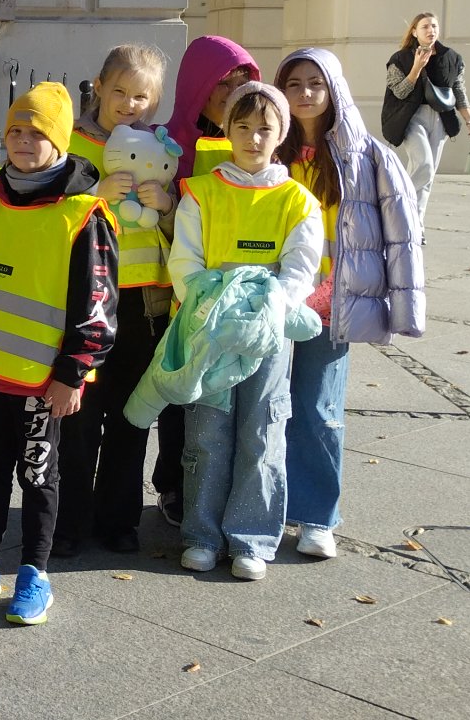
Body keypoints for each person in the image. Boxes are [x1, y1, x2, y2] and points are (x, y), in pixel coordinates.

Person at [0, 82, 117, 625]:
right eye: (15, 130)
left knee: (38, 477)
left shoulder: (84, 214)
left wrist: (74, 372)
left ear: (58, 142)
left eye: (35, 133)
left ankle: (35, 573)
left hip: (42, 381)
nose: (21, 141)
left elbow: (98, 304)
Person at [165, 83, 322, 581]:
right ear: (228, 130)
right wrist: (216, 306)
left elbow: (300, 269)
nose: (254, 138)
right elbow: (185, 261)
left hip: (268, 335)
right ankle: (201, 535)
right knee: (207, 431)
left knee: (262, 430)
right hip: (209, 332)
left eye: (264, 129)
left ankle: (251, 538)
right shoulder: (201, 193)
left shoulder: (297, 200)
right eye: (243, 127)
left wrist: (264, 309)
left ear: (281, 134)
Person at [275, 48, 424, 558]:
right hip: (275, 296)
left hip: (332, 300)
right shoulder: (270, 146)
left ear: (334, 88)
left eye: (315, 83)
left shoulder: (364, 155)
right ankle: (268, 506)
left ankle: (317, 516)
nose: (304, 93)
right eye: (293, 84)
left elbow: (403, 233)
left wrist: (404, 308)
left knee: (318, 407)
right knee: (267, 408)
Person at [59, 45, 173, 556]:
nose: (129, 104)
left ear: (156, 100)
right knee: (79, 418)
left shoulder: (161, 150)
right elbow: (46, 213)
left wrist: (166, 206)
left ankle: (120, 520)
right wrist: (94, 194)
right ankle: (70, 520)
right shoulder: (69, 141)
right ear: (100, 87)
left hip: (143, 302)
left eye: (141, 96)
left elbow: (186, 231)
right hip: (85, 300)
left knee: (132, 416)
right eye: (120, 91)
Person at [150, 35, 260, 524]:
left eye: (243, 82)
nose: (234, 93)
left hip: (238, 293)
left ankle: (221, 487)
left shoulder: (249, 140)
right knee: (178, 392)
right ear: (199, 85)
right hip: (176, 290)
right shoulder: (166, 143)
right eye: (223, 83)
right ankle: (174, 485)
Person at [381, 12, 470, 233]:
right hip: (411, 117)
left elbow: (458, 92)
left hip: (441, 118)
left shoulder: (452, 58)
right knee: (423, 164)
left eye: (434, 26)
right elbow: (399, 92)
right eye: (425, 26)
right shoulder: (400, 59)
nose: (430, 30)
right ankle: (399, 208)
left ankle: (414, 225)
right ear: (414, 32)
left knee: (428, 174)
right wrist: (416, 67)